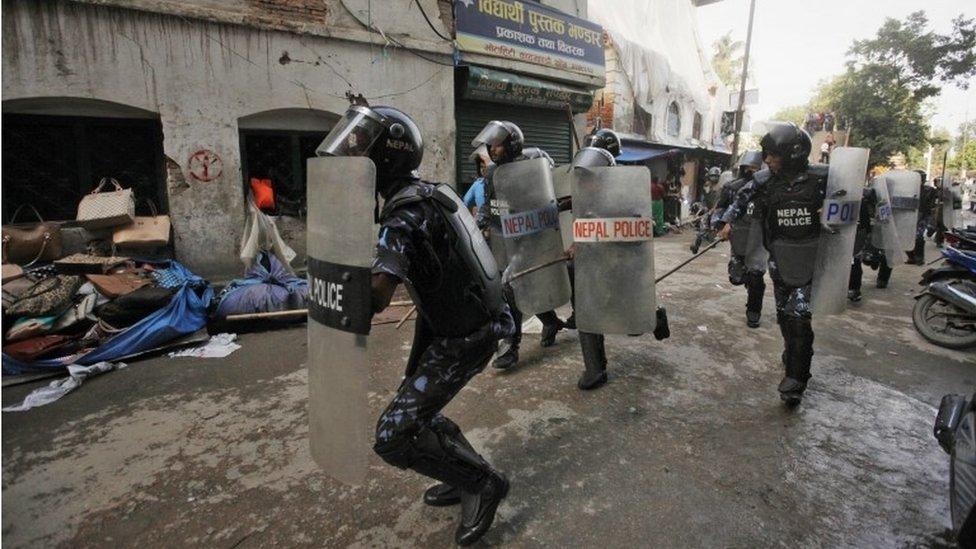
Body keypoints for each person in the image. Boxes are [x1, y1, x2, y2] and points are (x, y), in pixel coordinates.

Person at [319, 105, 515, 546]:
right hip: (459, 322)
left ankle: (483, 482)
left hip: (465, 335)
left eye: (359, 151)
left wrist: (322, 285)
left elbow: (375, 296)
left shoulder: (404, 213)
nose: (350, 161)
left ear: (385, 158)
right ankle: (462, 472)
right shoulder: (426, 191)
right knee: (420, 411)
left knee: (394, 435)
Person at [717, 123, 826, 406]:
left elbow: (853, 208)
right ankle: (793, 353)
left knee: (799, 317)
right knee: (784, 316)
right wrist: (725, 222)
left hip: (810, 258)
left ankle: (796, 379)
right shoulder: (765, 180)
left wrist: (832, 211)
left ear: (793, 154)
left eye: (773, 155)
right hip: (779, 258)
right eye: (766, 154)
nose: (767, 160)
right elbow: (739, 200)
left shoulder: (822, 180)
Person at [473, 121, 564, 368]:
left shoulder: (531, 167)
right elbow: (493, 204)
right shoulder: (492, 173)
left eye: (498, 145)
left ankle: (510, 347)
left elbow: (546, 199)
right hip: (502, 239)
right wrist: (480, 222)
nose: (492, 150)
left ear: (511, 144)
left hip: (530, 237)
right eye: (490, 145)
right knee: (518, 286)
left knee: (512, 287)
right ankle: (551, 321)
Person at [713, 150, 765, 327]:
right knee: (736, 277)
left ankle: (754, 311)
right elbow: (720, 210)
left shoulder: (768, 189)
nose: (752, 171)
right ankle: (746, 278)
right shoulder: (732, 188)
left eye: (756, 168)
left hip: (759, 239)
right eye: (749, 168)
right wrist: (721, 225)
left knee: (756, 275)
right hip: (738, 237)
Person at [848, 185, 891, 302]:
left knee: (882, 254)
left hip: (868, 231)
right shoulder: (855, 197)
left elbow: (885, 219)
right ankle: (853, 289)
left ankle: (857, 288)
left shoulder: (880, 201)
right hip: (858, 231)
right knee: (854, 260)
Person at [462, 150, 490, 215]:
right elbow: (465, 201)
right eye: (481, 167)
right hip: (482, 221)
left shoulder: (497, 182)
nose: (483, 170)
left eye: (485, 167)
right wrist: (473, 209)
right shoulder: (477, 184)